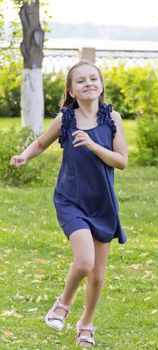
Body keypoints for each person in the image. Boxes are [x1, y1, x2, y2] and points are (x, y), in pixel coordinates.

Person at [10, 59, 128, 347]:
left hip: (102, 203)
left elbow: (121, 161)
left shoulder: (112, 119)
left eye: (93, 79)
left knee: (98, 276)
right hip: (70, 200)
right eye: (81, 81)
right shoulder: (66, 119)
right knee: (85, 261)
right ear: (71, 90)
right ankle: (62, 304)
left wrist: (93, 145)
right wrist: (25, 155)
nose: (88, 83)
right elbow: (40, 143)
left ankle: (86, 324)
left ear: (101, 86)